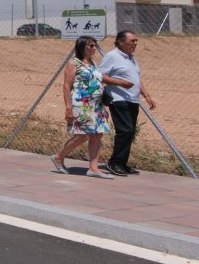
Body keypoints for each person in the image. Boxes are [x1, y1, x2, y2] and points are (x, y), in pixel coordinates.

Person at [52, 36, 131, 178]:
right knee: (82, 135)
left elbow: (98, 79)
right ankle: (59, 156)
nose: (93, 48)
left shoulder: (93, 63)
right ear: (82, 47)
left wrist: (113, 84)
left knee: (97, 134)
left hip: (96, 105)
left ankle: (93, 168)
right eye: (90, 46)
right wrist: (68, 108)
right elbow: (66, 86)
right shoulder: (74, 63)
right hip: (81, 103)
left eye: (94, 46)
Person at [99, 30, 156, 176]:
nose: (135, 44)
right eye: (132, 41)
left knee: (130, 133)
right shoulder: (112, 56)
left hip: (132, 100)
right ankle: (115, 163)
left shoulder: (131, 58)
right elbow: (100, 75)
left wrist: (146, 95)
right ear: (120, 42)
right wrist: (119, 83)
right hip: (118, 99)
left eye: (136, 41)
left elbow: (136, 78)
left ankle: (122, 163)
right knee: (125, 131)